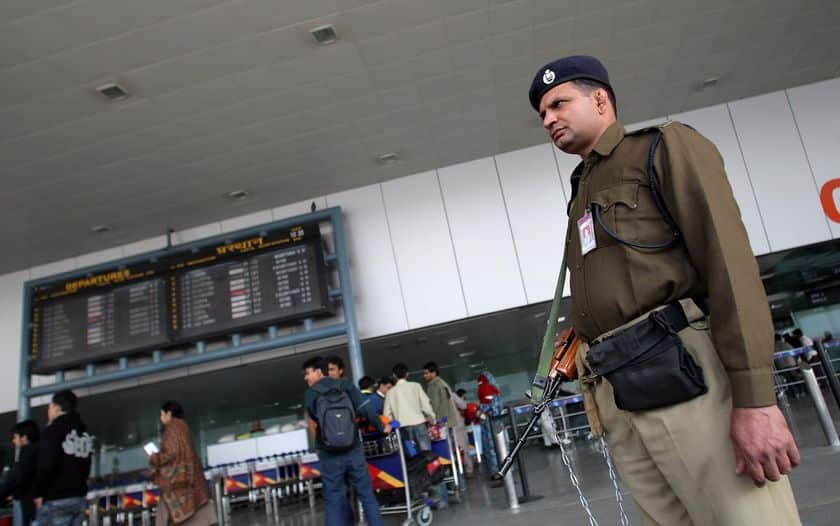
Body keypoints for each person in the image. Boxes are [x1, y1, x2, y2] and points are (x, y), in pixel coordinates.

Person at [529, 55, 801, 524]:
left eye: (558, 103)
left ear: (600, 99)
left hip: (685, 376)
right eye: (542, 115)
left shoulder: (661, 147)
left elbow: (729, 269)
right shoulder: (582, 188)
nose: (549, 118)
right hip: (620, 394)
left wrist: (757, 402)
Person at [302, 356, 389, 526]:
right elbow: (366, 409)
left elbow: (314, 418)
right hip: (353, 449)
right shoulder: (346, 385)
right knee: (366, 495)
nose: (306, 378)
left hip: (329, 453)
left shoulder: (310, 394)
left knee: (334, 499)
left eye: (308, 373)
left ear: (319, 371)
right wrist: (381, 427)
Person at [149, 401, 217, 526]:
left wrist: (154, 457)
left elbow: (170, 454)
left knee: (167, 513)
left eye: (162, 414)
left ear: (169, 414)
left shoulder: (171, 429)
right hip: (191, 478)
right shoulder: (184, 427)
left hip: (177, 482)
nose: (161, 417)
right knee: (197, 507)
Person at [33, 390, 92, 526]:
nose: (48, 411)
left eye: (49, 407)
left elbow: (46, 465)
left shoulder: (52, 431)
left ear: (57, 407)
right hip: (79, 497)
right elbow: (86, 466)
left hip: (56, 498)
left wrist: (39, 492)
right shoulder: (83, 433)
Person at [383, 363, 435, 452]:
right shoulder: (416, 386)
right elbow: (426, 404)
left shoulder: (390, 392)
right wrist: (432, 418)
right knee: (427, 453)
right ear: (407, 374)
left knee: (412, 454)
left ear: (394, 376)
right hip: (420, 424)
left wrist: (392, 424)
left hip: (404, 429)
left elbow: (386, 415)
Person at [0, 421, 40, 525]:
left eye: (15, 437)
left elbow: (15, 478)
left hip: (33, 508)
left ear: (24, 438)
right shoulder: (42, 450)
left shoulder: (28, 455)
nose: (13, 441)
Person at [476, 373, 502, 476]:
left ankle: (496, 472)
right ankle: (506, 468)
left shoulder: (485, 389)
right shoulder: (495, 389)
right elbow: (498, 406)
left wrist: (477, 412)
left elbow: (485, 408)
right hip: (498, 422)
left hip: (488, 423)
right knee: (501, 446)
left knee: (491, 448)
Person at [450, 389, 475, 476]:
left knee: (450, 451)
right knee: (463, 448)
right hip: (457, 424)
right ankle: (469, 470)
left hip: (444, 427)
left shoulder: (433, 396)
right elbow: (463, 406)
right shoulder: (451, 394)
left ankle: (456, 472)